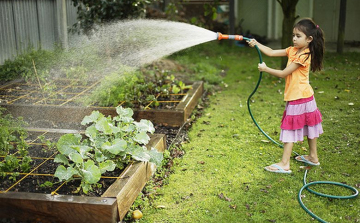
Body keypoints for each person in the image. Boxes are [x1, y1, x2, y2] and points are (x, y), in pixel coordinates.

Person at [247, 18, 325, 174]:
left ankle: (284, 163)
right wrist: (257, 44)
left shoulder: (304, 55)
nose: (294, 39)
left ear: (309, 39)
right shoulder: (293, 50)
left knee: (290, 128)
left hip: (298, 98)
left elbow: (283, 73)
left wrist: (266, 69)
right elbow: (271, 52)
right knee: (309, 126)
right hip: (305, 96)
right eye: (293, 35)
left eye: (298, 36)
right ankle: (313, 157)